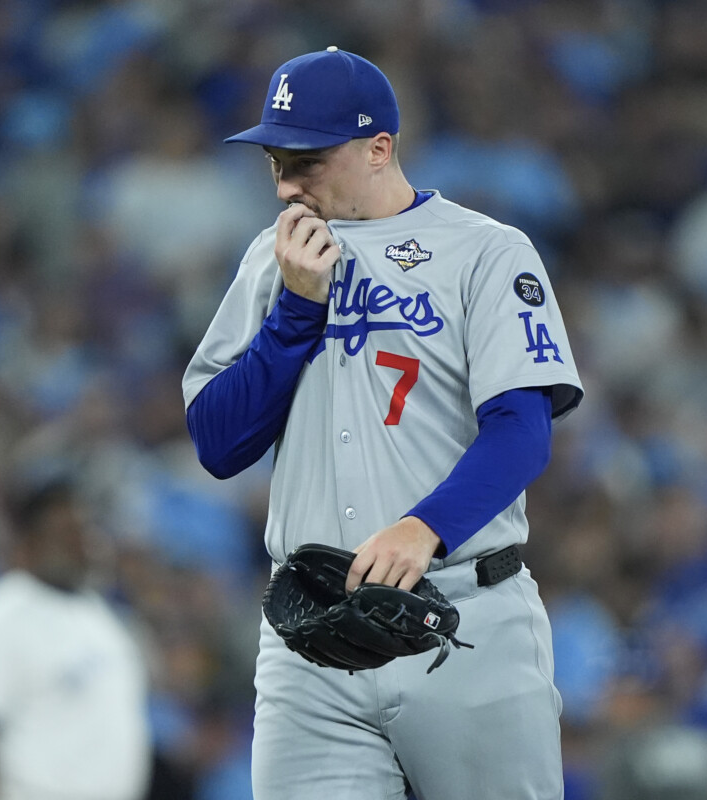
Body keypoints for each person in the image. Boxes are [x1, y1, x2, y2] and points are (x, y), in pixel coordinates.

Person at [183, 46, 584, 799]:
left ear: (378, 148)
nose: (285, 186)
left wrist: (423, 527)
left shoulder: (486, 253)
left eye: (305, 161)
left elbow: (523, 431)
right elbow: (218, 442)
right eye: (275, 160)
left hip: (463, 622)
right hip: (310, 640)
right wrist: (297, 311)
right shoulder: (269, 265)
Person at [0, 479, 151, 800]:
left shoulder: (99, 616)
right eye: (67, 534)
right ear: (30, 543)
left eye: (84, 532)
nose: (82, 544)